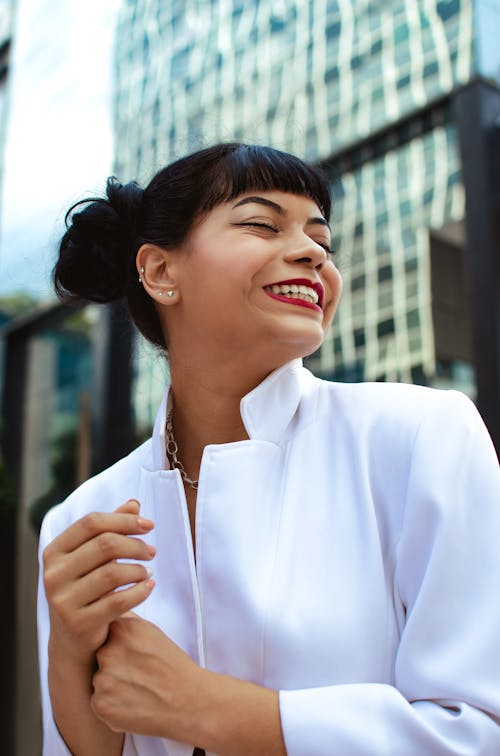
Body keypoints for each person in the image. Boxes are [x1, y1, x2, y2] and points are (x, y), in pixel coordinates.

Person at [38, 143, 500, 756]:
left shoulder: (421, 437)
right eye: (262, 223)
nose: (313, 253)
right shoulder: (78, 522)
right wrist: (69, 658)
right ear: (160, 272)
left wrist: (210, 710)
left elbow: (477, 731)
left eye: (321, 239)